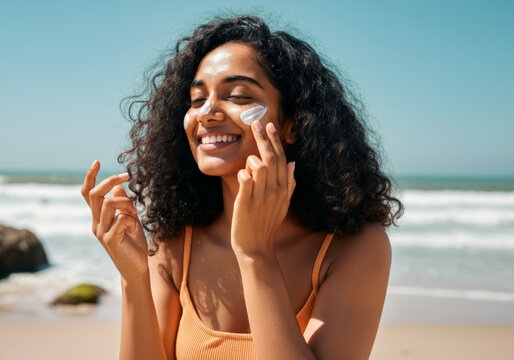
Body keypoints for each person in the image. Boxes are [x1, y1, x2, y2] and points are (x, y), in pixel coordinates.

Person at [81, 15, 403, 360]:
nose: (207, 112)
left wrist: (255, 255)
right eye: (196, 98)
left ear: (293, 125)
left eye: (237, 95)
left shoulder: (354, 248)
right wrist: (134, 278)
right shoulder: (174, 243)